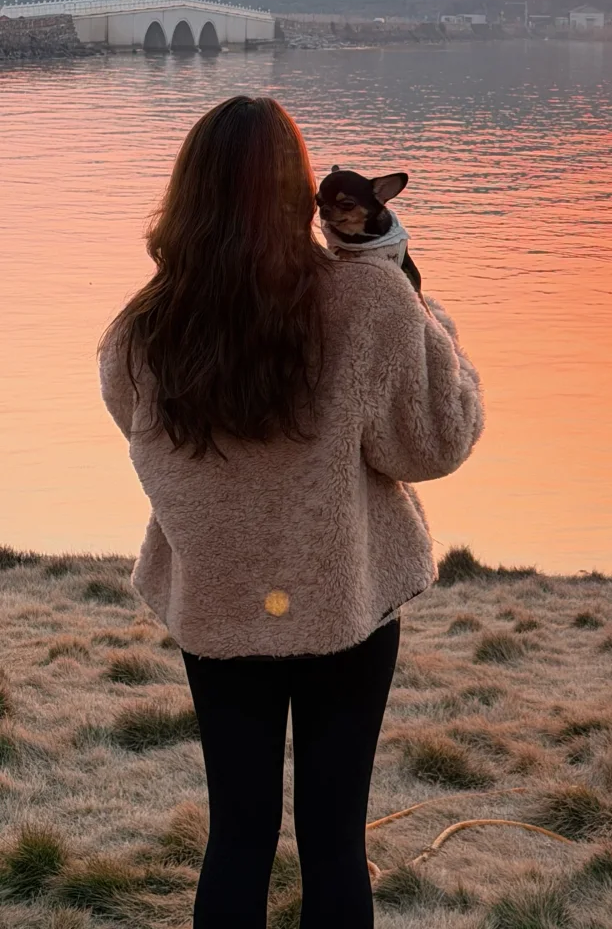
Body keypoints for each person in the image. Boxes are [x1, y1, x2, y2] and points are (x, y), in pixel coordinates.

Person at [97, 95, 484, 928]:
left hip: (220, 602)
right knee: (335, 842)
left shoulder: (140, 331)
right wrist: (427, 316)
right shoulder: (368, 299)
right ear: (300, 191)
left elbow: (138, 432)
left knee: (236, 837)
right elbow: (435, 443)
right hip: (343, 597)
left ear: (188, 192)